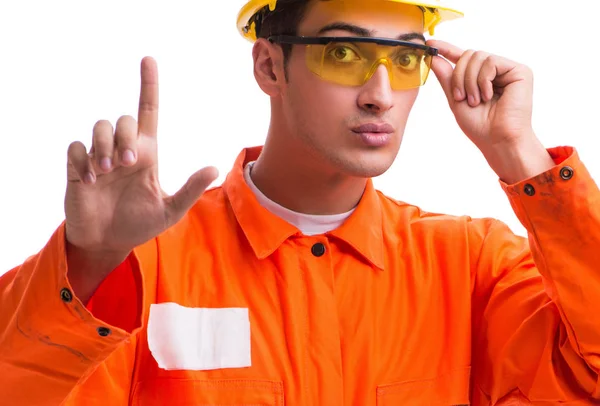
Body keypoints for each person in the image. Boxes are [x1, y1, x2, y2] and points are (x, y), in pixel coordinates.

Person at [1, 0, 599, 404]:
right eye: (342, 54)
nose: (381, 94)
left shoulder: (472, 265)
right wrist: (88, 265)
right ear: (268, 65)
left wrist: (520, 157)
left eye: (405, 58)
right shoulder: (145, 263)